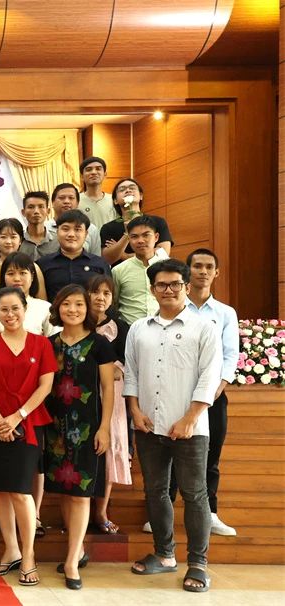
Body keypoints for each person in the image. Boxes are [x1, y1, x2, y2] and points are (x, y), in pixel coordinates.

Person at [125, 259, 220, 593]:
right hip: (149, 426)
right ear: (153, 289)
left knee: (195, 494)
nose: (168, 290)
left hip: (190, 428)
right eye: (161, 285)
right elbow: (132, 373)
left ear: (186, 287)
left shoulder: (203, 327)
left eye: (175, 284)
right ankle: (165, 555)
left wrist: (190, 417)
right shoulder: (139, 328)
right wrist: (135, 411)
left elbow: (210, 376)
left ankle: (198, 564)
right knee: (155, 490)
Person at [0, 287, 57, 587]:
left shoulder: (41, 343)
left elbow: (45, 386)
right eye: (4, 309)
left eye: (15, 308)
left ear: (25, 309)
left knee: (21, 492)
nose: (10, 314)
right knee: (0, 490)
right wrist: (0, 420)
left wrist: (17, 416)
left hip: (29, 423)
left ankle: (28, 554)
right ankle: (11, 549)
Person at [42, 285, 115, 590]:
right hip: (54, 428)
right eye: (66, 304)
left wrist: (104, 427)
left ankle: (72, 560)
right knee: (64, 490)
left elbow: (108, 389)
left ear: (88, 309)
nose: (72, 310)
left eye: (79, 304)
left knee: (82, 493)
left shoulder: (100, 344)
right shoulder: (49, 344)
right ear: (57, 308)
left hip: (87, 428)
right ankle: (79, 549)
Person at [167, 250, 240, 537]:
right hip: (176, 392)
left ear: (216, 273)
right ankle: (165, 511)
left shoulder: (225, 313)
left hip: (213, 397)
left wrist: (213, 391)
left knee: (211, 454)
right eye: (197, 266)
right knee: (172, 451)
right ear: (188, 271)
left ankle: (210, 513)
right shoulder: (173, 308)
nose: (203, 271)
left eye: (209, 267)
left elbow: (230, 356)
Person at [86, 275, 132, 535]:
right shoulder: (76, 322)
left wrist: (110, 370)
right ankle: (79, 511)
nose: (100, 297)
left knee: (109, 450)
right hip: (81, 394)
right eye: (95, 292)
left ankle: (101, 512)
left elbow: (124, 366)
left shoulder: (121, 328)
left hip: (112, 397)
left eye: (106, 293)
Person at [36, 210, 111, 301]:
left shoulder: (100, 265)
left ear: (86, 234)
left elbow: (109, 298)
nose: (71, 234)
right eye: (65, 229)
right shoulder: (43, 264)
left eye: (77, 229)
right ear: (57, 232)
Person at [101, 178, 173, 266]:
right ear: (115, 200)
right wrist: (126, 235)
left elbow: (163, 253)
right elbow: (107, 259)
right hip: (122, 273)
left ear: (141, 196)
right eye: (122, 190)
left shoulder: (158, 222)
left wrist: (124, 255)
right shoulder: (108, 228)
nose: (128, 190)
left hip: (154, 271)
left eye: (132, 188)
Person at [0, 218, 48, 304]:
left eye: (13, 237)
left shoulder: (33, 267)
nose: (8, 241)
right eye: (3, 237)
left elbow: (43, 302)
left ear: (20, 240)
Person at [112, 215, 162, 324]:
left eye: (146, 235)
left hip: (163, 329)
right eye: (134, 236)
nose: (140, 241)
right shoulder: (118, 270)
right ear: (129, 239)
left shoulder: (168, 268)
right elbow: (113, 304)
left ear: (156, 237)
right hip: (129, 330)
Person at [47, 184, 103, 256]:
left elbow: (95, 257)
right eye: (61, 198)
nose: (66, 201)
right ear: (53, 202)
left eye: (71, 198)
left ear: (77, 203)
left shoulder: (91, 229)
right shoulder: (45, 228)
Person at [78, 157, 119, 229]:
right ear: (82, 176)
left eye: (98, 169)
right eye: (89, 169)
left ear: (105, 174)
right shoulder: (76, 200)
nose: (93, 172)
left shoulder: (114, 200)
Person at [19, 191, 56, 261]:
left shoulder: (58, 240)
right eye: (31, 207)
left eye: (41, 207)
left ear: (48, 211)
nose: (36, 211)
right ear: (23, 212)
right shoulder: (18, 241)